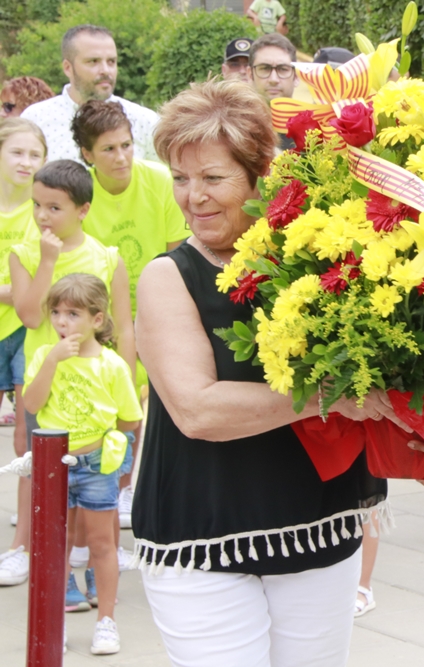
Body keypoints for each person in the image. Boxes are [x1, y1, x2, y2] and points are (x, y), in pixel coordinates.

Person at [130, 80, 424, 666]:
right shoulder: (168, 277)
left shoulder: (325, 254)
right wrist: (331, 396)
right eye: (181, 178)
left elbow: (402, 364)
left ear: (260, 174)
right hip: (203, 534)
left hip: (319, 522)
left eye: (213, 178)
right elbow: (197, 411)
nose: (194, 197)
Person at [70, 99, 189, 528]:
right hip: (101, 318)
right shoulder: (80, 193)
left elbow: (178, 253)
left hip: (157, 308)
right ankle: (106, 490)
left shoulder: (158, 181)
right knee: (113, 403)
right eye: (108, 149)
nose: (121, 157)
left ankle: (128, 488)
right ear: (87, 154)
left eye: (126, 145)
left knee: (146, 407)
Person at [23, 273, 143, 654]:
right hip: (53, 463)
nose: (62, 321)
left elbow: (130, 419)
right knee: (55, 544)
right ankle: (53, 622)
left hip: (94, 466)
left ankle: (106, 621)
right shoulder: (45, 356)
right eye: (56, 312)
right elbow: (31, 404)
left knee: (102, 543)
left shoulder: (111, 365)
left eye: (73, 314)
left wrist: (110, 447)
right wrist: (52, 361)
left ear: (96, 318)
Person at [0, 119, 46, 588]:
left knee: (24, 442)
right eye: (17, 152)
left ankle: (22, 540)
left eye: (35, 155)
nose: (26, 163)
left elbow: (31, 292)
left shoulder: (40, 213)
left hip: (24, 332)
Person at [20, 25, 159, 164]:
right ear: (68, 68)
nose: (106, 70)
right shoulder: (36, 119)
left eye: (111, 61)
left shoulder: (145, 121)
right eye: (93, 61)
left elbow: (166, 175)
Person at [249, 33, 298, 151]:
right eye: (265, 68)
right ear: (250, 75)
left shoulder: (314, 133)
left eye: (283, 69)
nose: (273, 79)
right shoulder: (237, 131)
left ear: (296, 76)